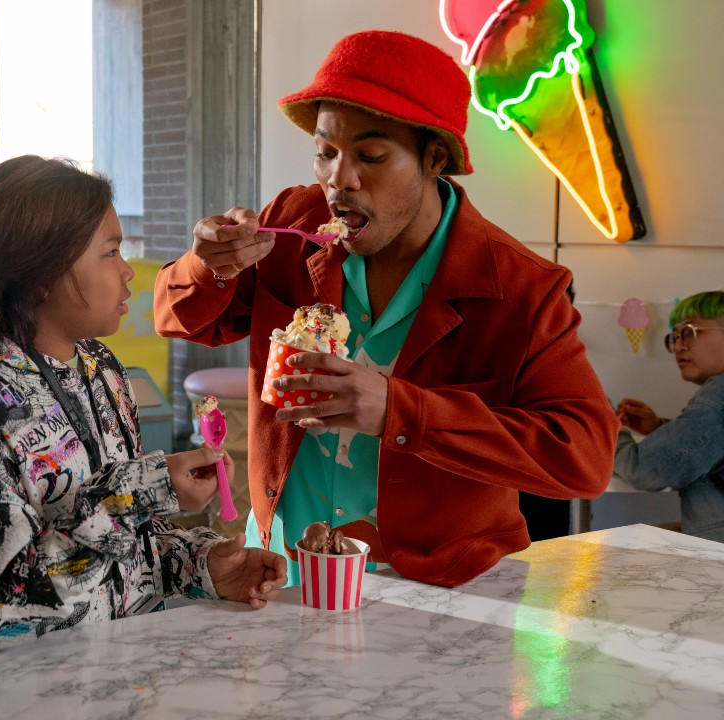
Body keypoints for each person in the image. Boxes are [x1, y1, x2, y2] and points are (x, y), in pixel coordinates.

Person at [154, 30, 618, 588]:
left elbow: (585, 458)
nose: (339, 180)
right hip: (280, 572)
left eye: (370, 156)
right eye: (325, 152)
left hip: (436, 590)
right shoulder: (292, 225)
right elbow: (177, 318)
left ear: (435, 158)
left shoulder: (520, 286)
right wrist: (208, 265)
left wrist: (400, 412)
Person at [0, 155, 286, 658]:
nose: (128, 272)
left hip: (115, 672)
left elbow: (126, 545)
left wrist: (202, 565)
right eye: (110, 252)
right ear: (40, 274)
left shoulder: (100, 368)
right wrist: (141, 492)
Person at [613, 291, 724, 542]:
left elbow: (643, 470)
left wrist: (608, 428)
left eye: (690, 332)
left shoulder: (718, 395)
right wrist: (658, 428)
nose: (677, 346)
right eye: (674, 337)